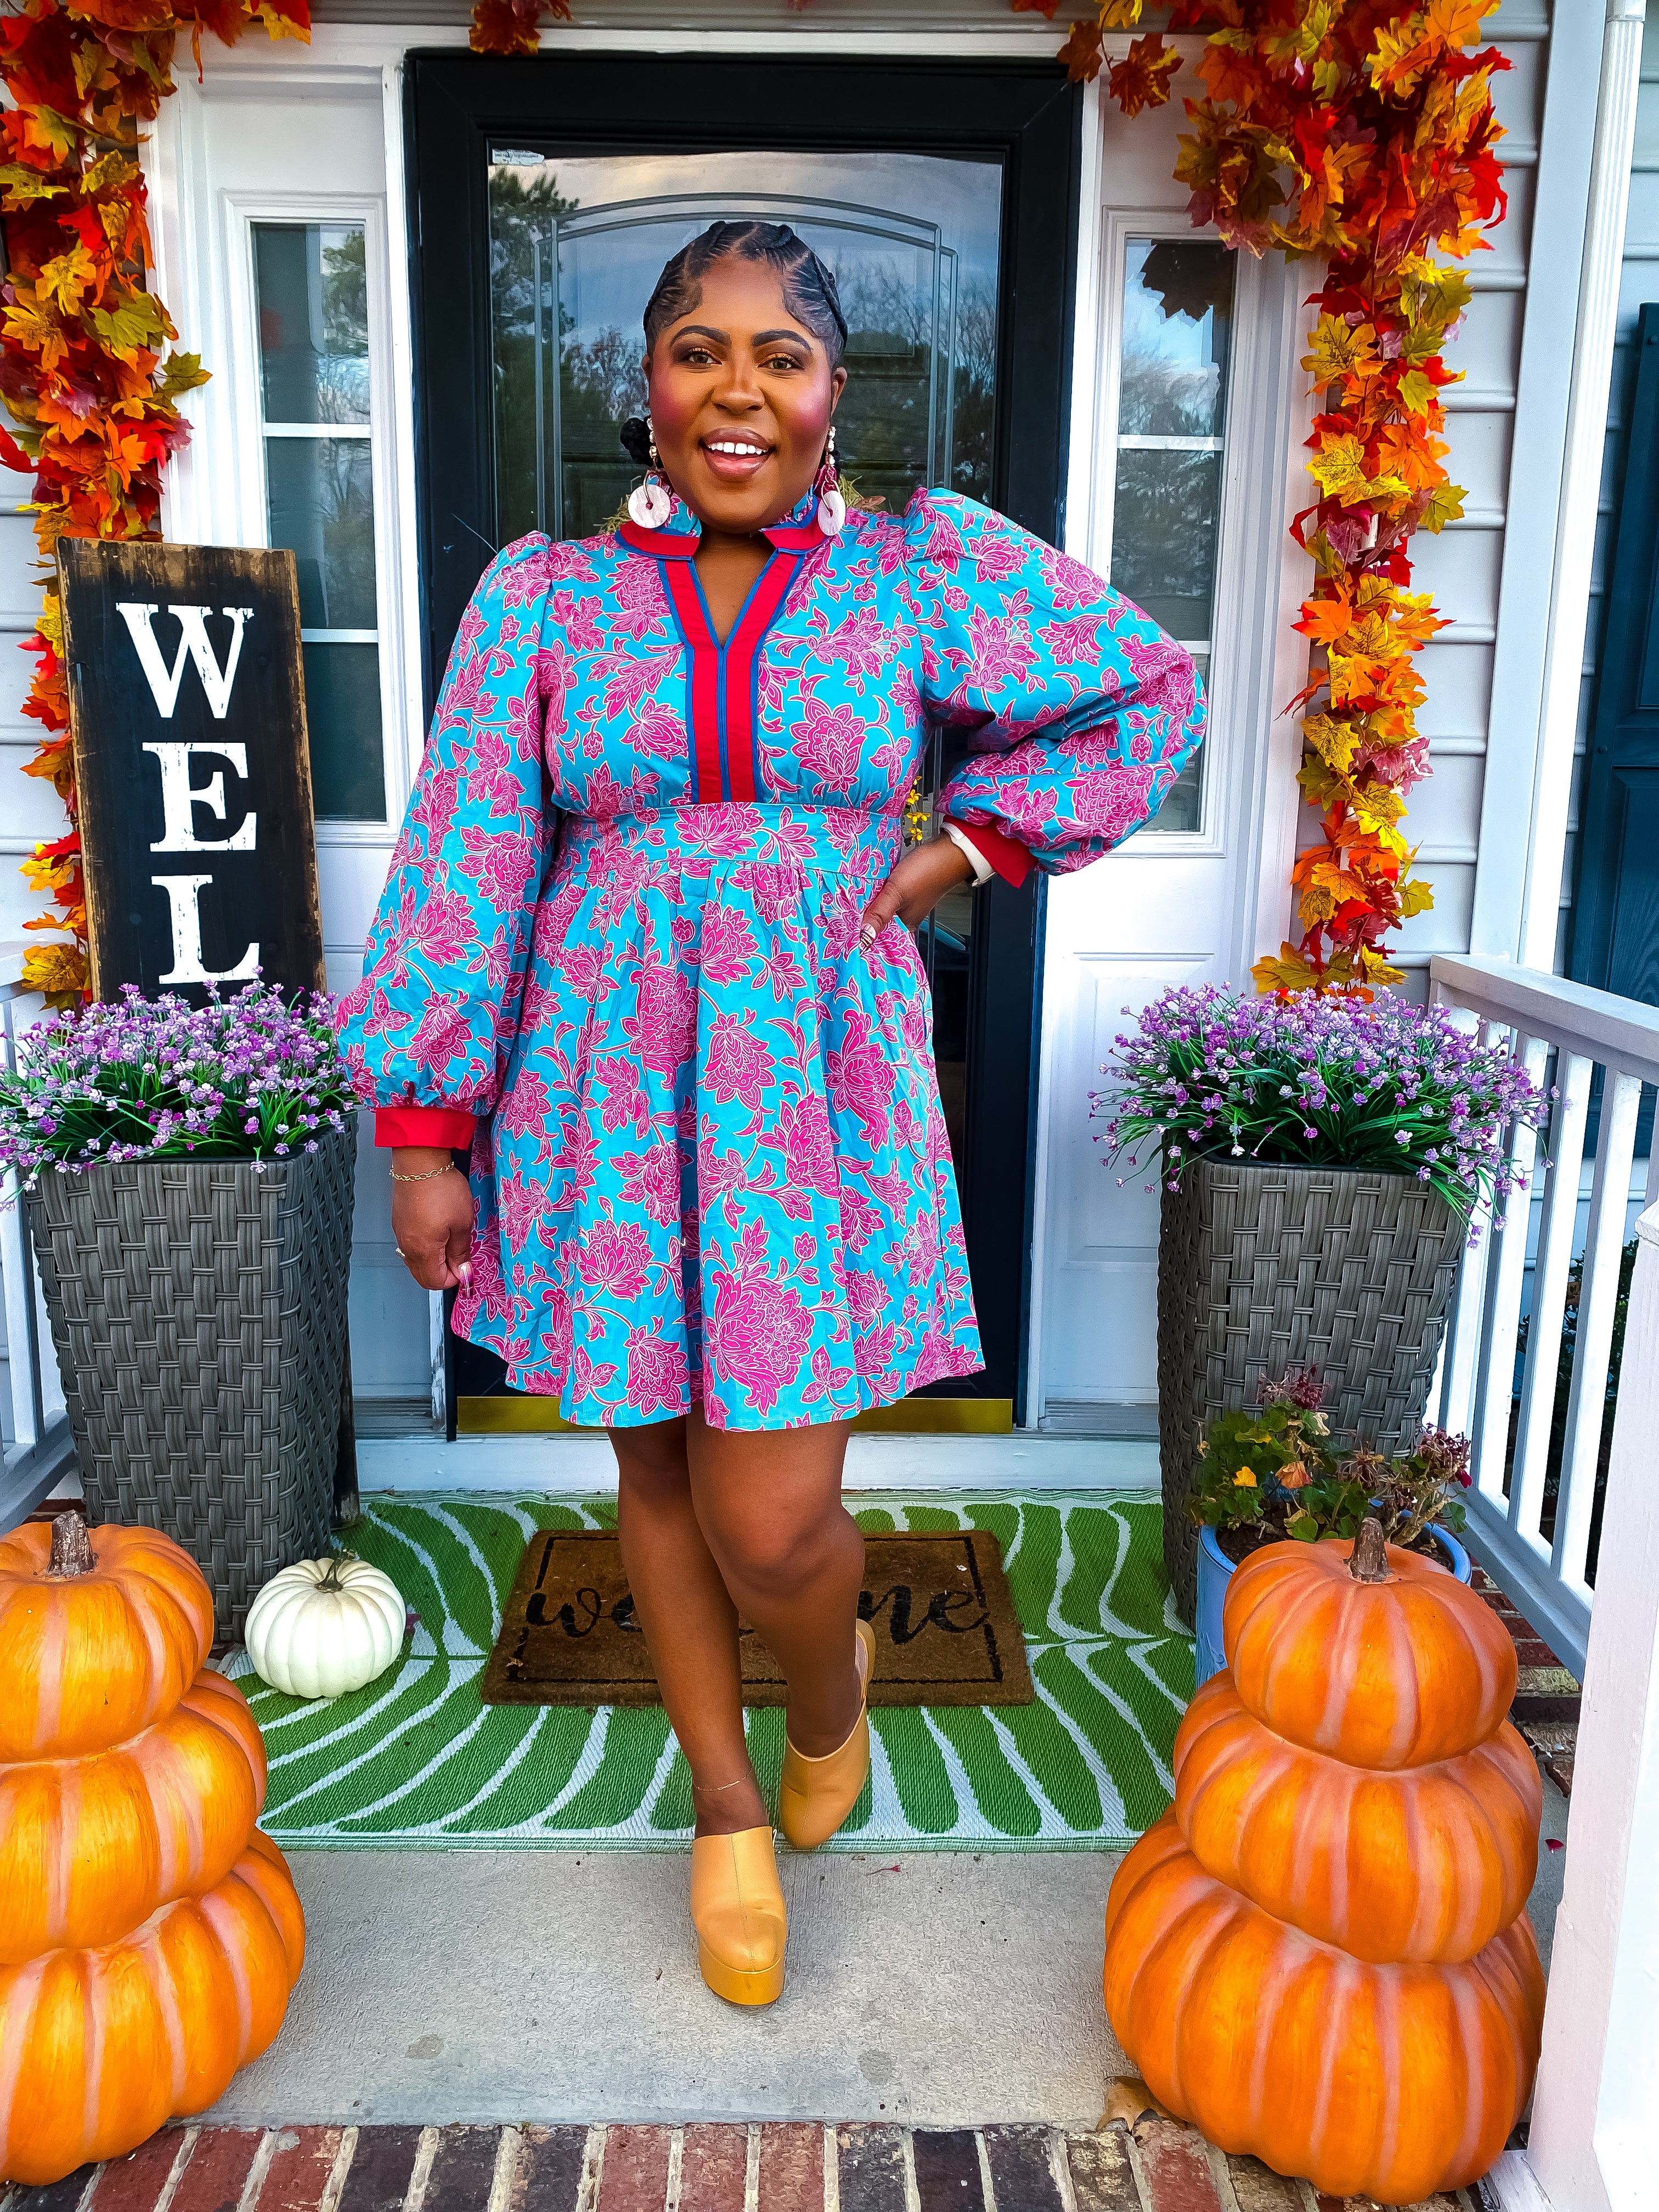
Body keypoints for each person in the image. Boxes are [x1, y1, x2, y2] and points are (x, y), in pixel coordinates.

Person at [338, 219, 1203, 2007]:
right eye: (700, 349)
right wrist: (426, 1132)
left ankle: (829, 1695)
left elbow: (1146, 692)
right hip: (602, 1094)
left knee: (779, 1521)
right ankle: (725, 1807)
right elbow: (465, 861)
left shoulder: (917, 570)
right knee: (653, 1467)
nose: (739, 390)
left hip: (812, 1091)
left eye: (781, 355)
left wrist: (970, 843)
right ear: (648, 385)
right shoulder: (542, 600)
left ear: (830, 394)